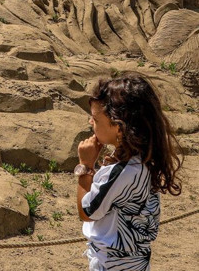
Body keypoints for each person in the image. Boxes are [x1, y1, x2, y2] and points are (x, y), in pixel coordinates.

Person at [75, 73, 183, 270]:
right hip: (134, 261)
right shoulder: (144, 159)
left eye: (96, 119)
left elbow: (87, 212)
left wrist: (86, 166)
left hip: (112, 263)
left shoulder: (121, 172)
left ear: (118, 127)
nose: (91, 122)